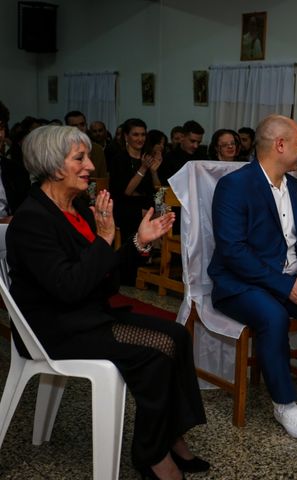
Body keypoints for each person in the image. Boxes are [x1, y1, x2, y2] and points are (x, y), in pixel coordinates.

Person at [7, 125, 209, 480]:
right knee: (157, 349)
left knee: (177, 335)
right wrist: (104, 238)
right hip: (55, 328)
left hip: (86, 313)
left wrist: (138, 242)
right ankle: (153, 453)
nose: (89, 166)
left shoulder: (78, 209)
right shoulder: (32, 220)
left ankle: (171, 436)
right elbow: (69, 287)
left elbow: (106, 278)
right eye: (79, 158)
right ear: (54, 166)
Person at [207, 114, 297, 440]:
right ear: (280, 145)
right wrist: (285, 285)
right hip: (240, 284)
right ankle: (284, 404)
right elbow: (233, 251)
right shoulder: (234, 186)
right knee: (273, 316)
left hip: (293, 281)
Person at [109, 118, 160, 283]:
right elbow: (127, 191)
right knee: (144, 214)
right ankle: (132, 269)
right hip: (123, 204)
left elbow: (157, 190)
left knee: (161, 213)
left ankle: (153, 264)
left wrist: (153, 171)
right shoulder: (119, 159)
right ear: (126, 136)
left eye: (143, 134)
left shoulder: (147, 158)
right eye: (135, 134)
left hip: (145, 203)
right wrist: (143, 169)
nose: (140, 139)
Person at [64, 111, 108, 178]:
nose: (79, 129)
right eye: (74, 126)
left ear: (86, 126)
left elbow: (102, 179)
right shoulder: (61, 149)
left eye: (82, 125)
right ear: (67, 128)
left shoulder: (97, 149)